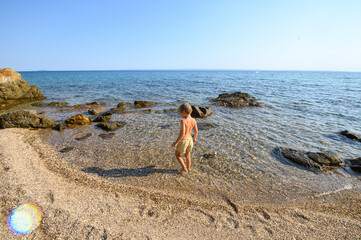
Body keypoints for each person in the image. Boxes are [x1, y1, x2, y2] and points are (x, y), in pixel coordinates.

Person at [172, 103, 198, 174]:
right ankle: (189, 169)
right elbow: (196, 131)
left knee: (177, 155)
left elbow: (182, 133)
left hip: (184, 140)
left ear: (183, 112)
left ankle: (184, 169)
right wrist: (194, 138)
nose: (180, 115)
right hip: (190, 140)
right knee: (187, 155)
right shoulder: (193, 120)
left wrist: (176, 142)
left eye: (180, 113)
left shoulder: (183, 121)